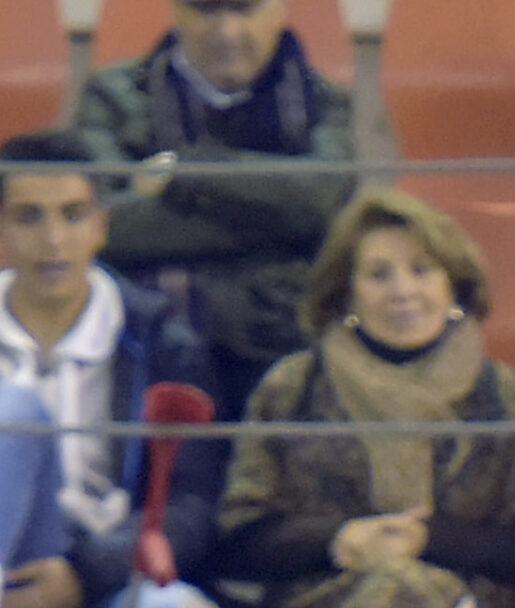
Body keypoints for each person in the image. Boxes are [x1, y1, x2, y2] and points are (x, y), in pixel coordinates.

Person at [0, 131, 219, 608]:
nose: (53, 240)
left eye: (72, 215)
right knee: (13, 408)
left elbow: (192, 507)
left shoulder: (165, 348)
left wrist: (83, 575)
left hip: (104, 583)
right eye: (29, 217)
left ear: (100, 226)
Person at [215, 189, 515, 608]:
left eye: (422, 271)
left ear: (454, 286)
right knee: (392, 591)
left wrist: (426, 540)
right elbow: (237, 542)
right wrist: (339, 540)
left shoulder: (501, 393)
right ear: (347, 292)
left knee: (406, 590)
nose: (402, 291)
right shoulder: (292, 387)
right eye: (379, 275)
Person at [76, 0, 352, 420]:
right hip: (149, 346)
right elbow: (101, 226)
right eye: (206, 9)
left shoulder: (326, 103)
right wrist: (276, 212)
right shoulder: (112, 97)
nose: (226, 32)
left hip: (281, 340)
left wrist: (185, 173)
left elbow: (320, 203)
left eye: (245, 9)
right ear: (176, 12)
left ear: (280, 10)